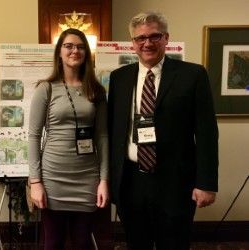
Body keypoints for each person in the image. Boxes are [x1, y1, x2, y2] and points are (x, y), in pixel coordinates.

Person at [108, 11, 218, 250]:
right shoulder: (119, 78)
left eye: (154, 36)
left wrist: (207, 182)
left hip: (175, 182)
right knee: (137, 244)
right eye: (140, 38)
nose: (147, 43)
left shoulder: (193, 75)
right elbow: (114, 131)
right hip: (131, 181)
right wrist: (108, 179)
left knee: (175, 244)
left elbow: (207, 132)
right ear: (133, 44)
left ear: (166, 38)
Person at [28, 28, 109, 250]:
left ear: (87, 53)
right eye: (69, 46)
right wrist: (35, 182)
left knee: (82, 242)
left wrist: (104, 180)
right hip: (53, 177)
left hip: (87, 177)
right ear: (59, 53)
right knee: (53, 242)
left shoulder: (96, 90)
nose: (75, 51)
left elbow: (102, 137)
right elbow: (34, 136)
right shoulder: (45, 89)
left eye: (81, 47)